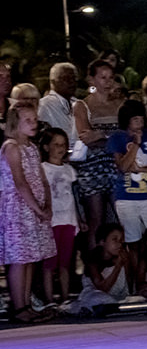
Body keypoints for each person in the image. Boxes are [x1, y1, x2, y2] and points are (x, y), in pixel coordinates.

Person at [2, 103, 58, 323]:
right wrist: (37, 208)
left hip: (35, 209)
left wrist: (48, 206)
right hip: (19, 209)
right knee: (19, 258)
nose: (34, 124)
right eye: (28, 120)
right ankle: (19, 306)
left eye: (35, 120)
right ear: (16, 123)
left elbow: (41, 179)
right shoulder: (11, 147)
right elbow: (20, 182)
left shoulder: (32, 147)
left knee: (30, 257)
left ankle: (26, 303)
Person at [106, 99, 147, 247]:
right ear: (126, 120)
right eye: (135, 119)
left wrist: (142, 169)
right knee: (132, 241)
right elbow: (122, 166)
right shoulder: (116, 139)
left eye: (141, 118)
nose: (139, 122)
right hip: (125, 198)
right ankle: (135, 268)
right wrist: (136, 144)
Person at [72, 59, 124, 232]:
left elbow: (128, 137)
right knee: (96, 223)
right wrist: (112, 138)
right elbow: (86, 138)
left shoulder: (119, 104)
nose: (108, 82)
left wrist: (101, 135)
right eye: (103, 77)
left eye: (111, 77)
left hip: (117, 167)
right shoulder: (82, 105)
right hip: (92, 169)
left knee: (123, 220)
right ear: (91, 80)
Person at [39, 127, 82, 306]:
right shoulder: (42, 168)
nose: (60, 148)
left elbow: (74, 195)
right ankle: (49, 299)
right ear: (47, 147)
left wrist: (79, 219)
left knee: (65, 262)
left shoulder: (69, 170)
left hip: (68, 220)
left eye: (63, 144)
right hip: (52, 221)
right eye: (56, 144)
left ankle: (65, 298)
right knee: (49, 264)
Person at [67, 223, 134, 317]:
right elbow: (103, 288)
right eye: (115, 239)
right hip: (97, 295)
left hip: (118, 296)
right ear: (102, 242)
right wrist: (118, 267)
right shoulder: (93, 261)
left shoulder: (123, 258)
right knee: (99, 299)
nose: (119, 244)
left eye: (121, 240)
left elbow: (128, 283)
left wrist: (125, 263)